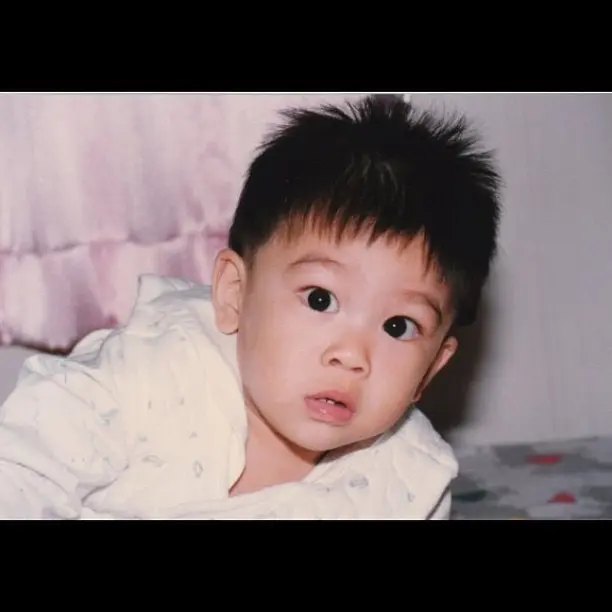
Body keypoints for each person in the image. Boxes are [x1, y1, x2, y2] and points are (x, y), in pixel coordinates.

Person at [0, 94, 501, 519]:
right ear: (234, 293)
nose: (352, 355)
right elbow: (20, 470)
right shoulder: (148, 374)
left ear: (431, 367)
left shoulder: (410, 481)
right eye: (321, 299)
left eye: (398, 326)